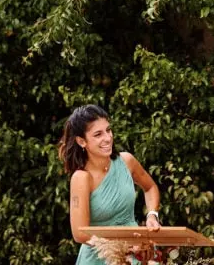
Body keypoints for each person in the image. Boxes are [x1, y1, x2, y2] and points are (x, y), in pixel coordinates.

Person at [59, 105, 161, 265]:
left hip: (137, 254)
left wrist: (152, 215)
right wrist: (123, 246)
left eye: (108, 130)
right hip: (101, 258)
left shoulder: (127, 161)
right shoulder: (81, 178)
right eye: (98, 134)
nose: (107, 138)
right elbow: (80, 234)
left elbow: (150, 188)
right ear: (81, 141)